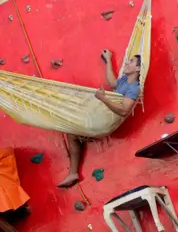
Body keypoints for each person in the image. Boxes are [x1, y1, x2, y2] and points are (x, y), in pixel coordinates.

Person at [56, 49, 141, 188]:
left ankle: (73, 172)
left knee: (71, 132)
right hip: (101, 116)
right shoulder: (125, 80)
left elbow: (125, 110)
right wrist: (108, 60)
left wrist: (103, 99)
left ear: (138, 68)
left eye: (131, 61)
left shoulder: (134, 88)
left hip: (106, 123)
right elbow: (113, 83)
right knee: (72, 122)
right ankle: (73, 172)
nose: (127, 62)